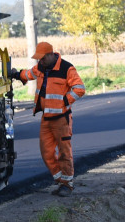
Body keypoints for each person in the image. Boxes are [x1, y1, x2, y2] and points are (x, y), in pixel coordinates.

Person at [10, 42, 86, 197]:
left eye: (43, 58)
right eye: (39, 59)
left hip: (61, 119)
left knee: (64, 153)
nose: (40, 61)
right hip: (46, 118)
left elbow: (80, 88)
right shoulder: (41, 67)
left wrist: (64, 102)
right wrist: (16, 75)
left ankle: (67, 185)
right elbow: (29, 74)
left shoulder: (66, 68)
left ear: (51, 55)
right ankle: (59, 179)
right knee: (46, 152)